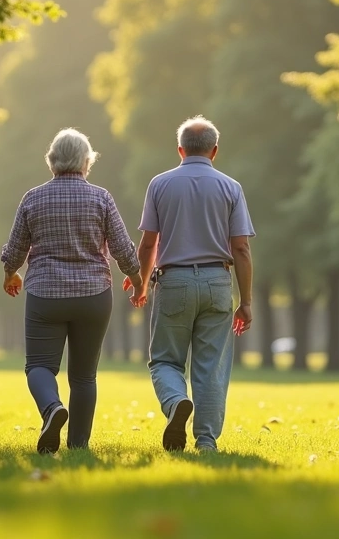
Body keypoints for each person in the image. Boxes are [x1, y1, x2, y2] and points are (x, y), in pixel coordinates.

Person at [1, 128, 143, 454]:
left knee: (39, 366)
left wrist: (11, 274)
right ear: (86, 161)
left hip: (44, 295)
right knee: (83, 377)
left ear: (51, 161)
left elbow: (16, 250)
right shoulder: (101, 197)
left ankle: (52, 409)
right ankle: (78, 448)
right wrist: (137, 282)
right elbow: (122, 249)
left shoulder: (32, 198)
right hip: (93, 296)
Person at [131, 116, 255, 452]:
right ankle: (206, 441)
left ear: (180, 149)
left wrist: (141, 284)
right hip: (218, 282)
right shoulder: (231, 187)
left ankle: (175, 403)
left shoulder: (160, 184)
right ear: (214, 151)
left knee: (165, 361)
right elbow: (241, 248)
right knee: (210, 367)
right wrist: (245, 301)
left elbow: (147, 244)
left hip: (173, 281)